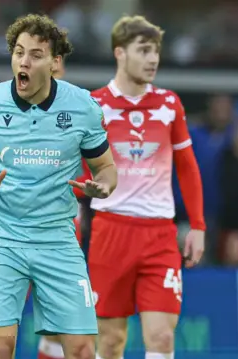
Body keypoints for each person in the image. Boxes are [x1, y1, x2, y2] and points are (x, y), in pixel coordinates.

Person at [0, 13, 117, 359]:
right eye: (18, 52)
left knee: (84, 349)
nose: (23, 61)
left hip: (57, 239)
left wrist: (102, 186)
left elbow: (106, 168)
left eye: (35, 55)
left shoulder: (83, 107)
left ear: (55, 63)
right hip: (1, 238)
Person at [84, 15, 205, 359]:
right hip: (110, 230)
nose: (153, 59)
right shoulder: (95, 106)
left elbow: (187, 167)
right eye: (144, 50)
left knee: (162, 338)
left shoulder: (169, 104)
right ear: (119, 53)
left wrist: (197, 225)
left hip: (159, 236)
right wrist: (86, 188)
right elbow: (78, 171)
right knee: (109, 342)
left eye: (156, 51)